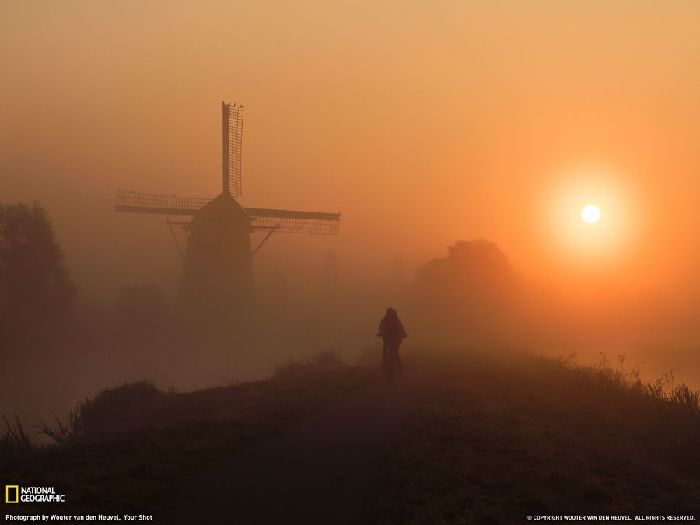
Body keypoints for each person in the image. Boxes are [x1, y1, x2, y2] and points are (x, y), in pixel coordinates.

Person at [376, 307, 407, 373]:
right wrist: (380, 333)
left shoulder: (396, 321)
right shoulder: (384, 320)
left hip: (396, 338)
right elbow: (381, 327)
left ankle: (399, 365)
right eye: (390, 313)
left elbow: (400, 327)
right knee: (385, 350)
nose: (391, 315)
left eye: (392, 314)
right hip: (387, 338)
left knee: (395, 351)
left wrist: (403, 334)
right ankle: (384, 364)